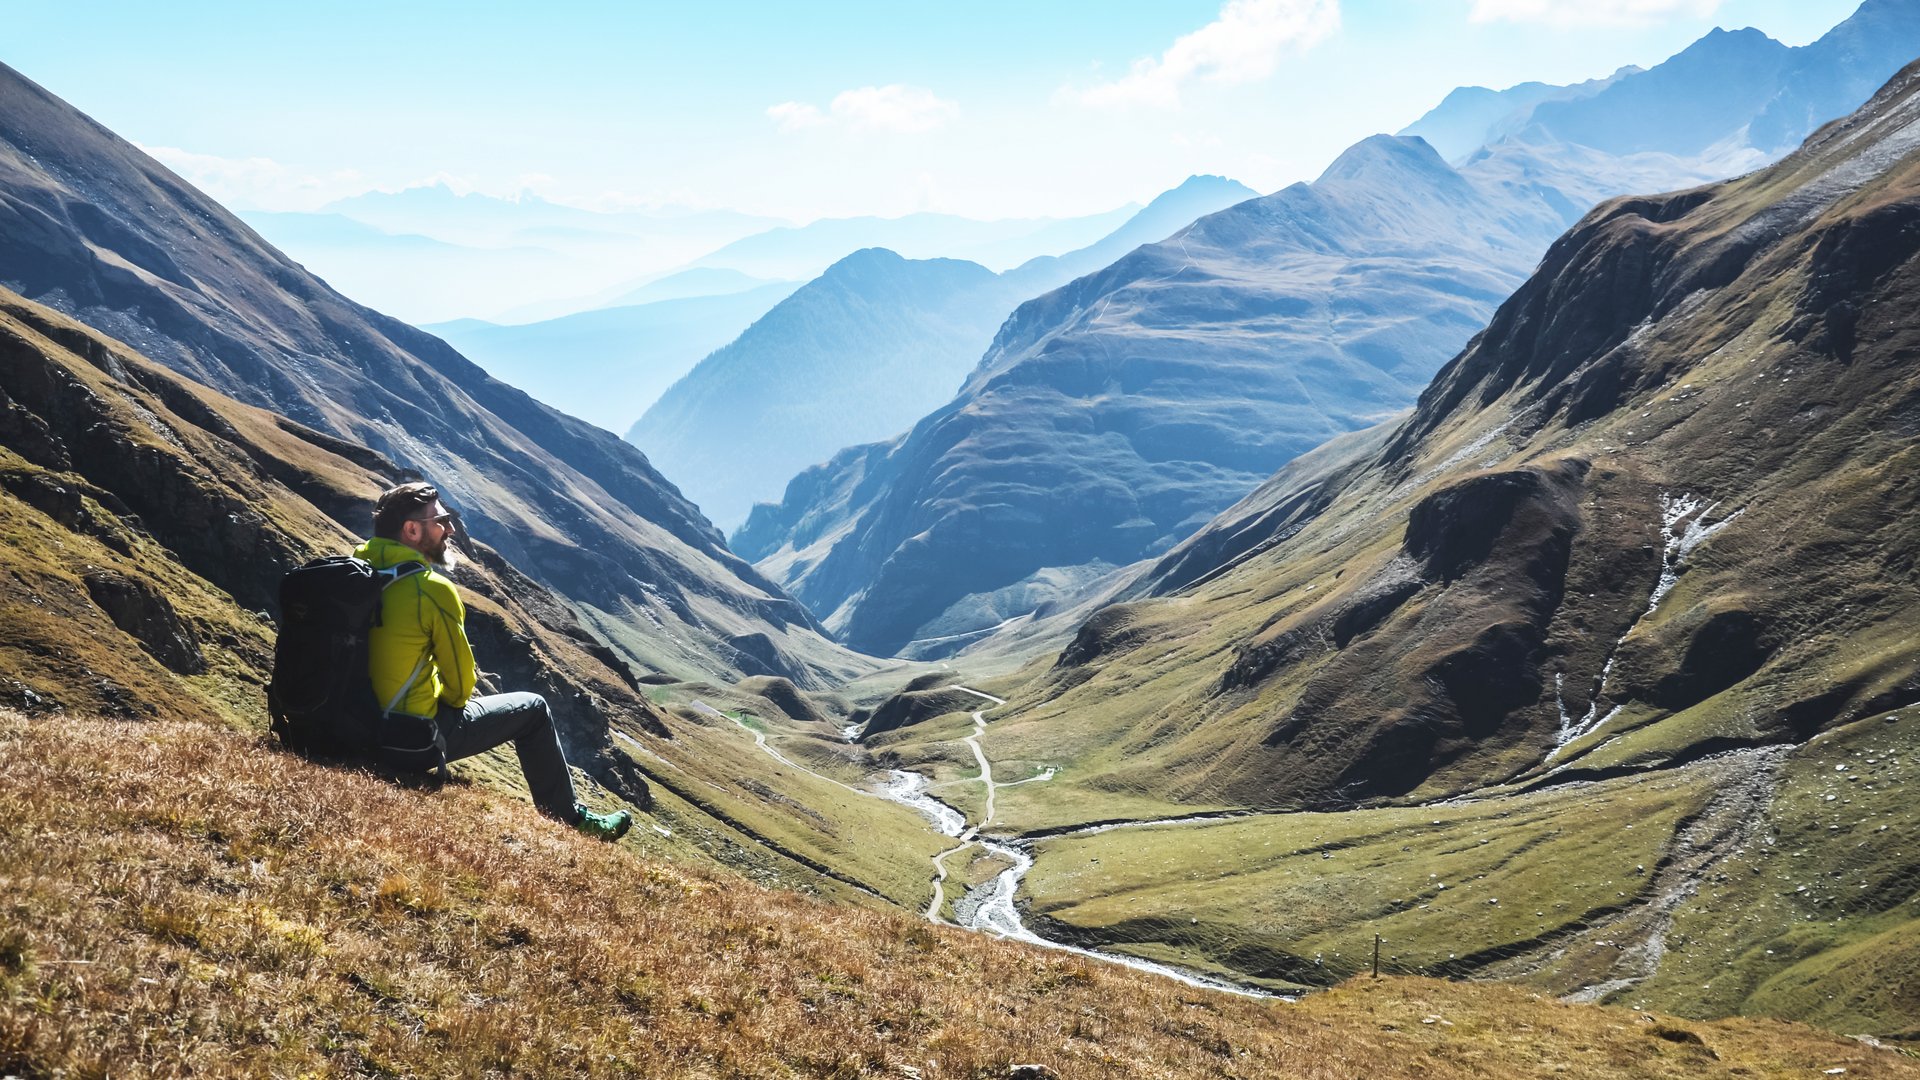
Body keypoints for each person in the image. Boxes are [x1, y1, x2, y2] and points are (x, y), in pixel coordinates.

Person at [357, 481, 632, 841]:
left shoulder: (352, 571)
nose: (450, 530)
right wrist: (435, 698)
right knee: (533, 708)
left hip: (347, 727)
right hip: (404, 741)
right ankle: (572, 820)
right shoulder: (430, 589)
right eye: (441, 520)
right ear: (411, 530)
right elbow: (460, 688)